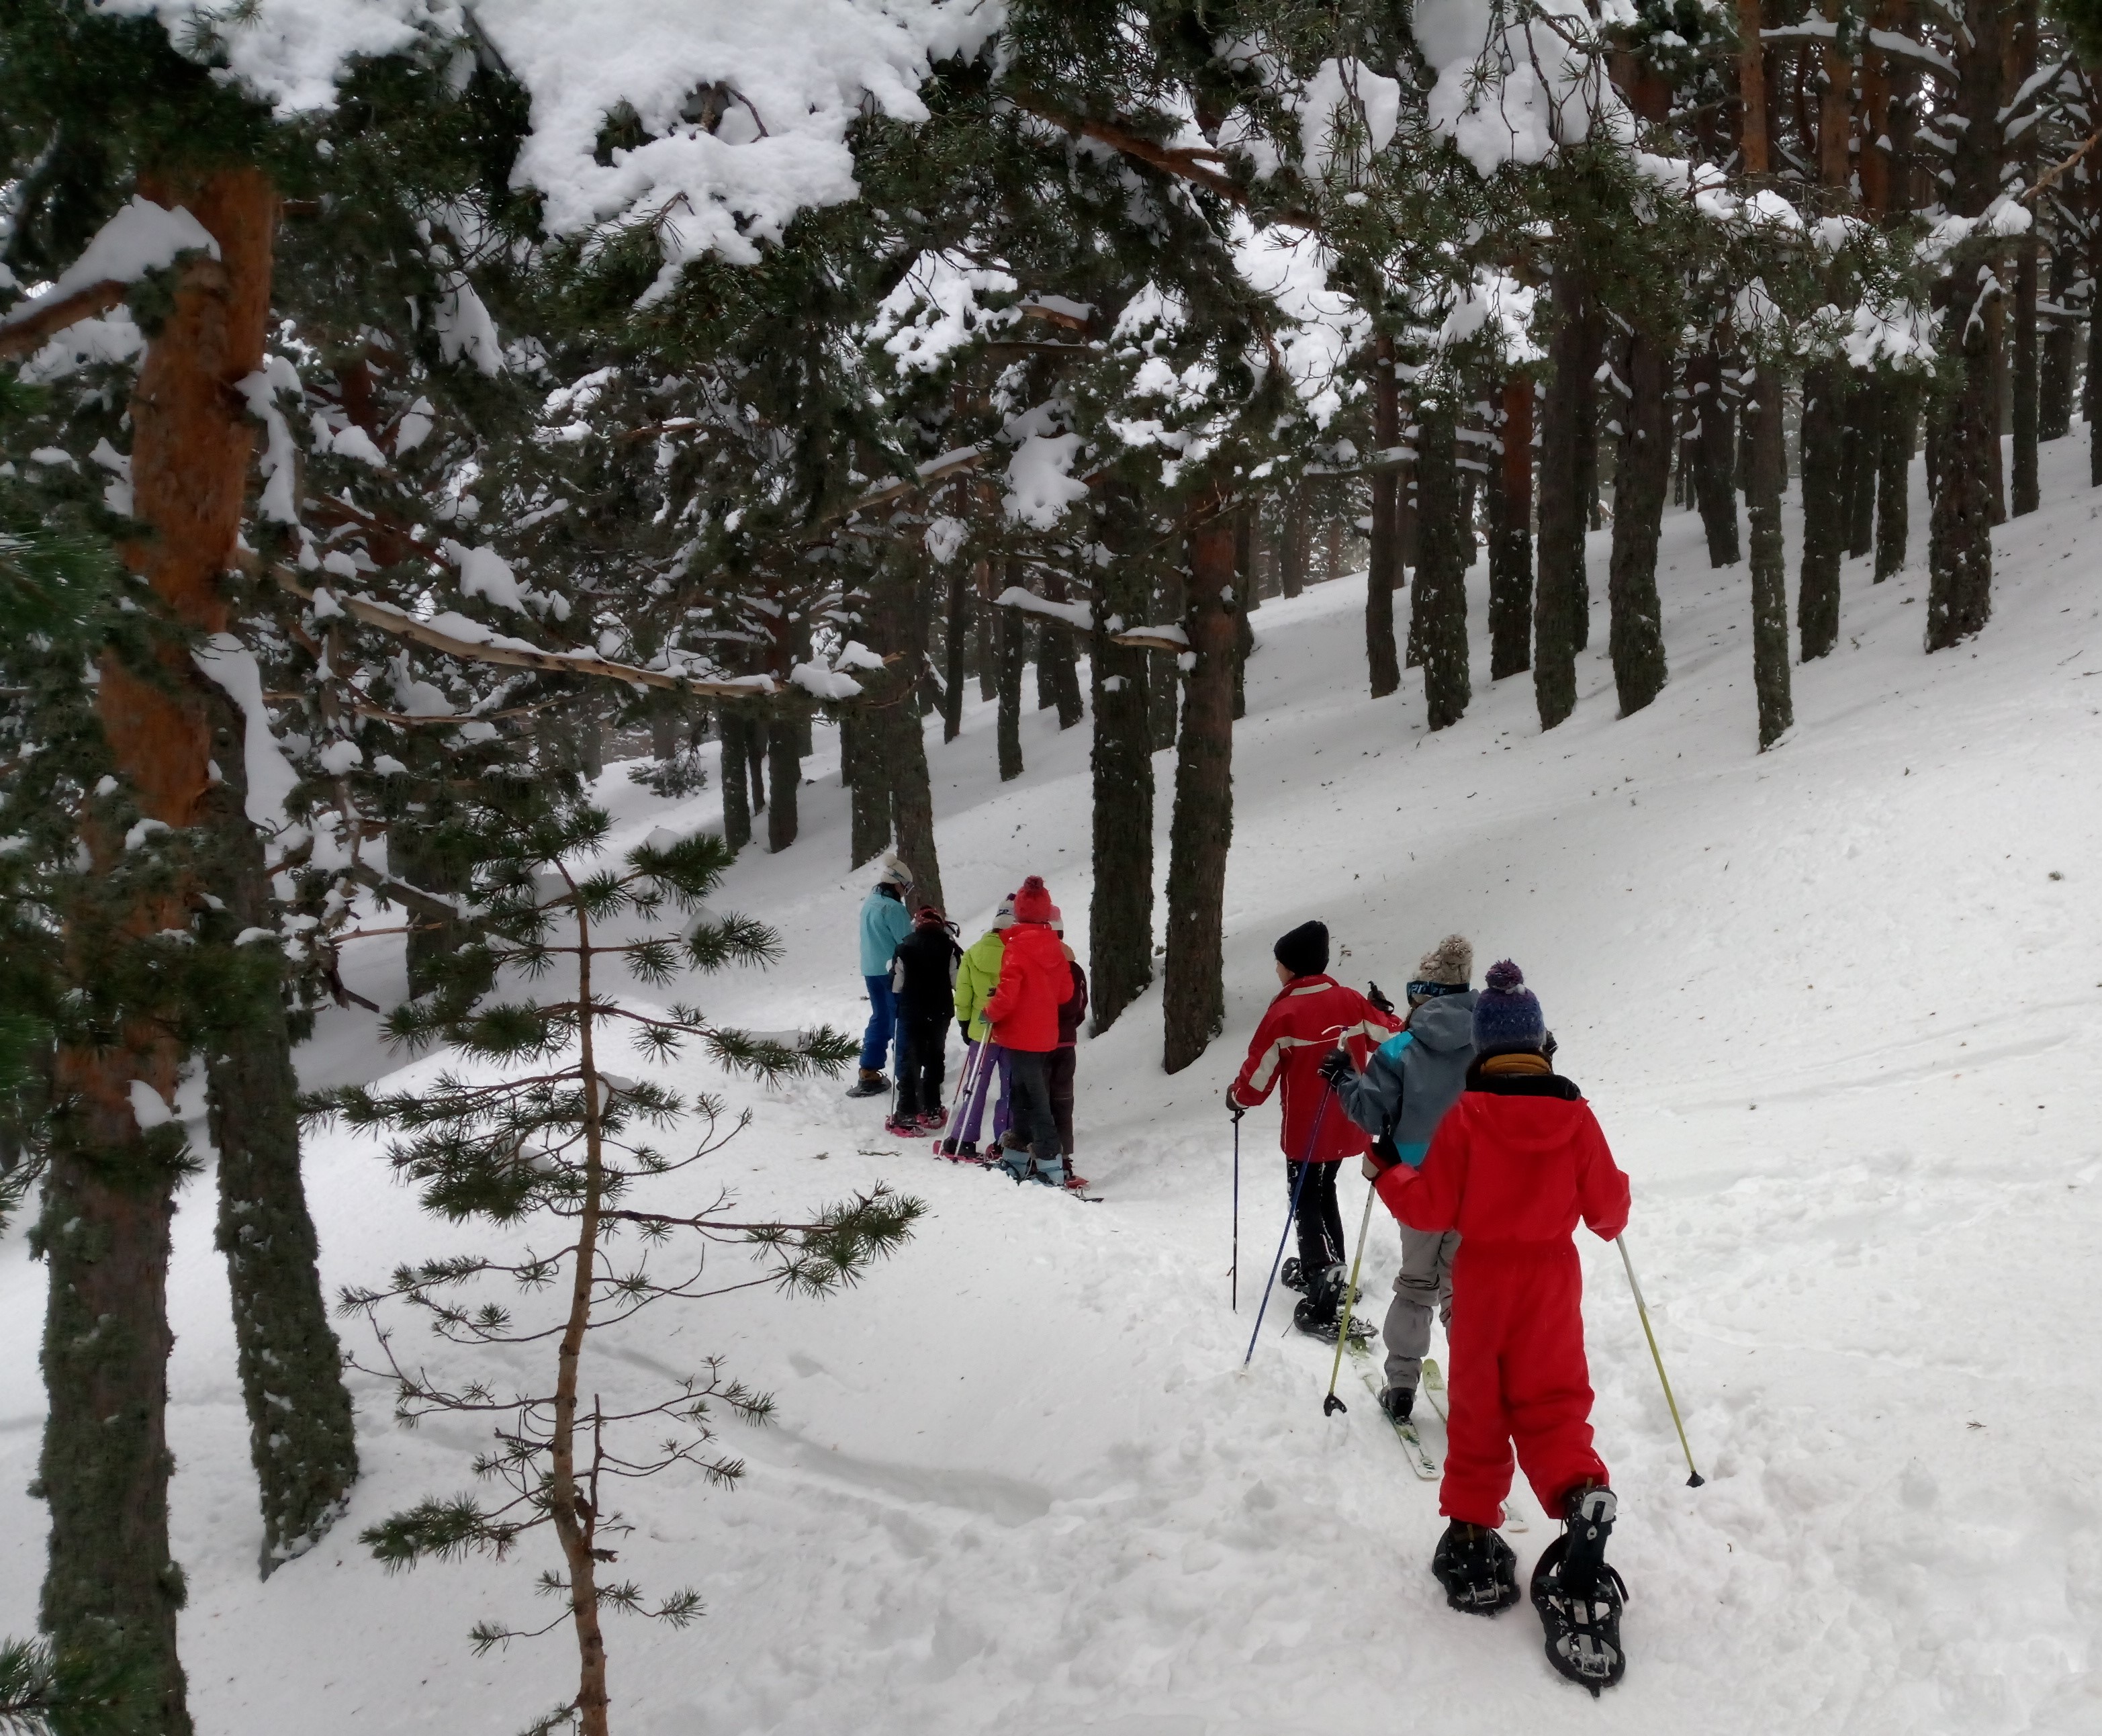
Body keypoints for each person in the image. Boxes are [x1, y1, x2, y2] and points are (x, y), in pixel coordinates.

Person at [1363, 960, 1631, 1694]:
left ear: (1484, 1046)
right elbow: (1607, 1211)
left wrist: (1384, 1172)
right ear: (1540, 1043)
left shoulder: (1468, 1117)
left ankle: (1475, 1533)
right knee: (1550, 1398)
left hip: (1483, 1279)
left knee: (1481, 1404)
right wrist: (1614, 1200)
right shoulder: (1576, 1115)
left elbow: (1429, 1208)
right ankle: (1579, 1494)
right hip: (1550, 1279)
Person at [1318, 933, 1475, 1422]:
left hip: (1417, 1183)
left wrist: (1343, 1078)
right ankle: (1476, 1386)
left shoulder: (1402, 1047)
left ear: (1422, 994)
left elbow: (1370, 1110)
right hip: (1479, 1182)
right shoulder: (1495, 1038)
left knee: (1416, 1282)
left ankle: (1403, 1382)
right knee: (1462, 1287)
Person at [1227, 919, 1399, 1339]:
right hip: (1351, 1118)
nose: (1276, 971)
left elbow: (1258, 1076)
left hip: (1308, 1131)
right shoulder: (1351, 1001)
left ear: (1293, 968)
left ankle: (1324, 1280)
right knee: (1324, 1190)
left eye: (1279, 964)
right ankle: (1329, 1267)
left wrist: (1237, 1098)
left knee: (1305, 1196)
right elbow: (1391, 1035)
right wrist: (1385, 1011)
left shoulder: (1283, 1013)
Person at [983, 876, 1074, 1187]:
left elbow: (1007, 996)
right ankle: (1016, 1158)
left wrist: (989, 1010)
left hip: (1020, 1036)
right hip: (1044, 1037)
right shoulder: (1056, 949)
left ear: (1019, 913)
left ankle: (1050, 1167)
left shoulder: (1016, 947)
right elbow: (1064, 994)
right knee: (1022, 1095)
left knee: (1034, 1100)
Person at [942, 893, 1013, 1159]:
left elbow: (963, 994)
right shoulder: (1017, 953)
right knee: (1010, 1086)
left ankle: (963, 1139)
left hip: (981, 1032)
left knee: (975, 1084)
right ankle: (1006, 1141)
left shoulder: (973, 952)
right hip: (1010, 1031)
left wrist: (963, 1022)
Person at [886, 907, 963, 1138]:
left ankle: (906, 1113)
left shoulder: (904, 947)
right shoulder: (950, 947)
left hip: (912, 1011)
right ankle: (932, 1109)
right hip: (939, 1011)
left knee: (911, 1058)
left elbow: (896, 985)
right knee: (934, 1057)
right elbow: (957, 981)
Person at [851, 854, 915, 1098]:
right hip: (892, 972)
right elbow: (906, 944)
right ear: (897, 883)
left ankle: (869, 1068)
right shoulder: (894, 909)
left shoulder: (871, 902)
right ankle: (905, 1074)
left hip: (871, 969)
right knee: (901, 1020)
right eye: (906, 887)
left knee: (880, 1017)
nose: (906, 892)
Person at [1047, 906, 1088, 1175]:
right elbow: (1082, 1006)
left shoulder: (1040, 966)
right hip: (1067, 1044)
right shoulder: (1075, 969)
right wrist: (1070, 1027)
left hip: (1039, 1043)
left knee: (1038, 1099)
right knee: (1063, 1100)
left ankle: (1042, 1154)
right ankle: (1063, 1156)